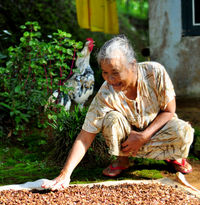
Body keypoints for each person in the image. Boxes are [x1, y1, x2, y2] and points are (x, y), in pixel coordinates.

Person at [42, 35, 194, 190]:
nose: (110, 79)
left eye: (115, 72)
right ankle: (122, 160)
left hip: (157, 130)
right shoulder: (106, 93)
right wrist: (65, 174)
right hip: (128, 141)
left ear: (133, 65)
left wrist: (143, 136)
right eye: (105, 73)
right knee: (111, 120)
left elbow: (169, 111)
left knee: (183, 131)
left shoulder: (155, 72)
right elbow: (85, 136)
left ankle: (174, 156)